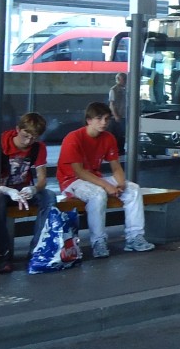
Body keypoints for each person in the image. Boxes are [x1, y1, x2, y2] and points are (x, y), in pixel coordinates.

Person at [56, 102, 154, 257]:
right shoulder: (73, 138)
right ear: (89, 120)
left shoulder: (108, 138)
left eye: (107, 119)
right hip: (71, 181)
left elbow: (116, 166)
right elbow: (79, 172)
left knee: (133, 189)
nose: (104, 122)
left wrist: (120, 183)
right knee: (98, 194)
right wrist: (107, 186)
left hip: (94, 178)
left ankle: (134, 237)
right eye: (99, 118)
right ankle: (98, 242)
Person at [0, 112, 56, 273]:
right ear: (18, 129)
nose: (28, 141)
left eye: (33, 138)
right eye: (25, 136)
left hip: (22, 189)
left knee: (49, 197)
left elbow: (42, 180)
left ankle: (36, 251)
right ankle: (3, 255)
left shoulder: (38, 148)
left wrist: (33, 189)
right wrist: (7, 190)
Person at [108, 71, 127, 153]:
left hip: (124, 115)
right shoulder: (114, 90)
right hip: (117, 116)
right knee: (116, 134)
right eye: (124, 79)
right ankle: (115, 150)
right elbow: (112, 104)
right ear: (118, 79)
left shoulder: (126, 89)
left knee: (122, 134)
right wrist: (116, 115)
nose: (125, 81)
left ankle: (121, 150)